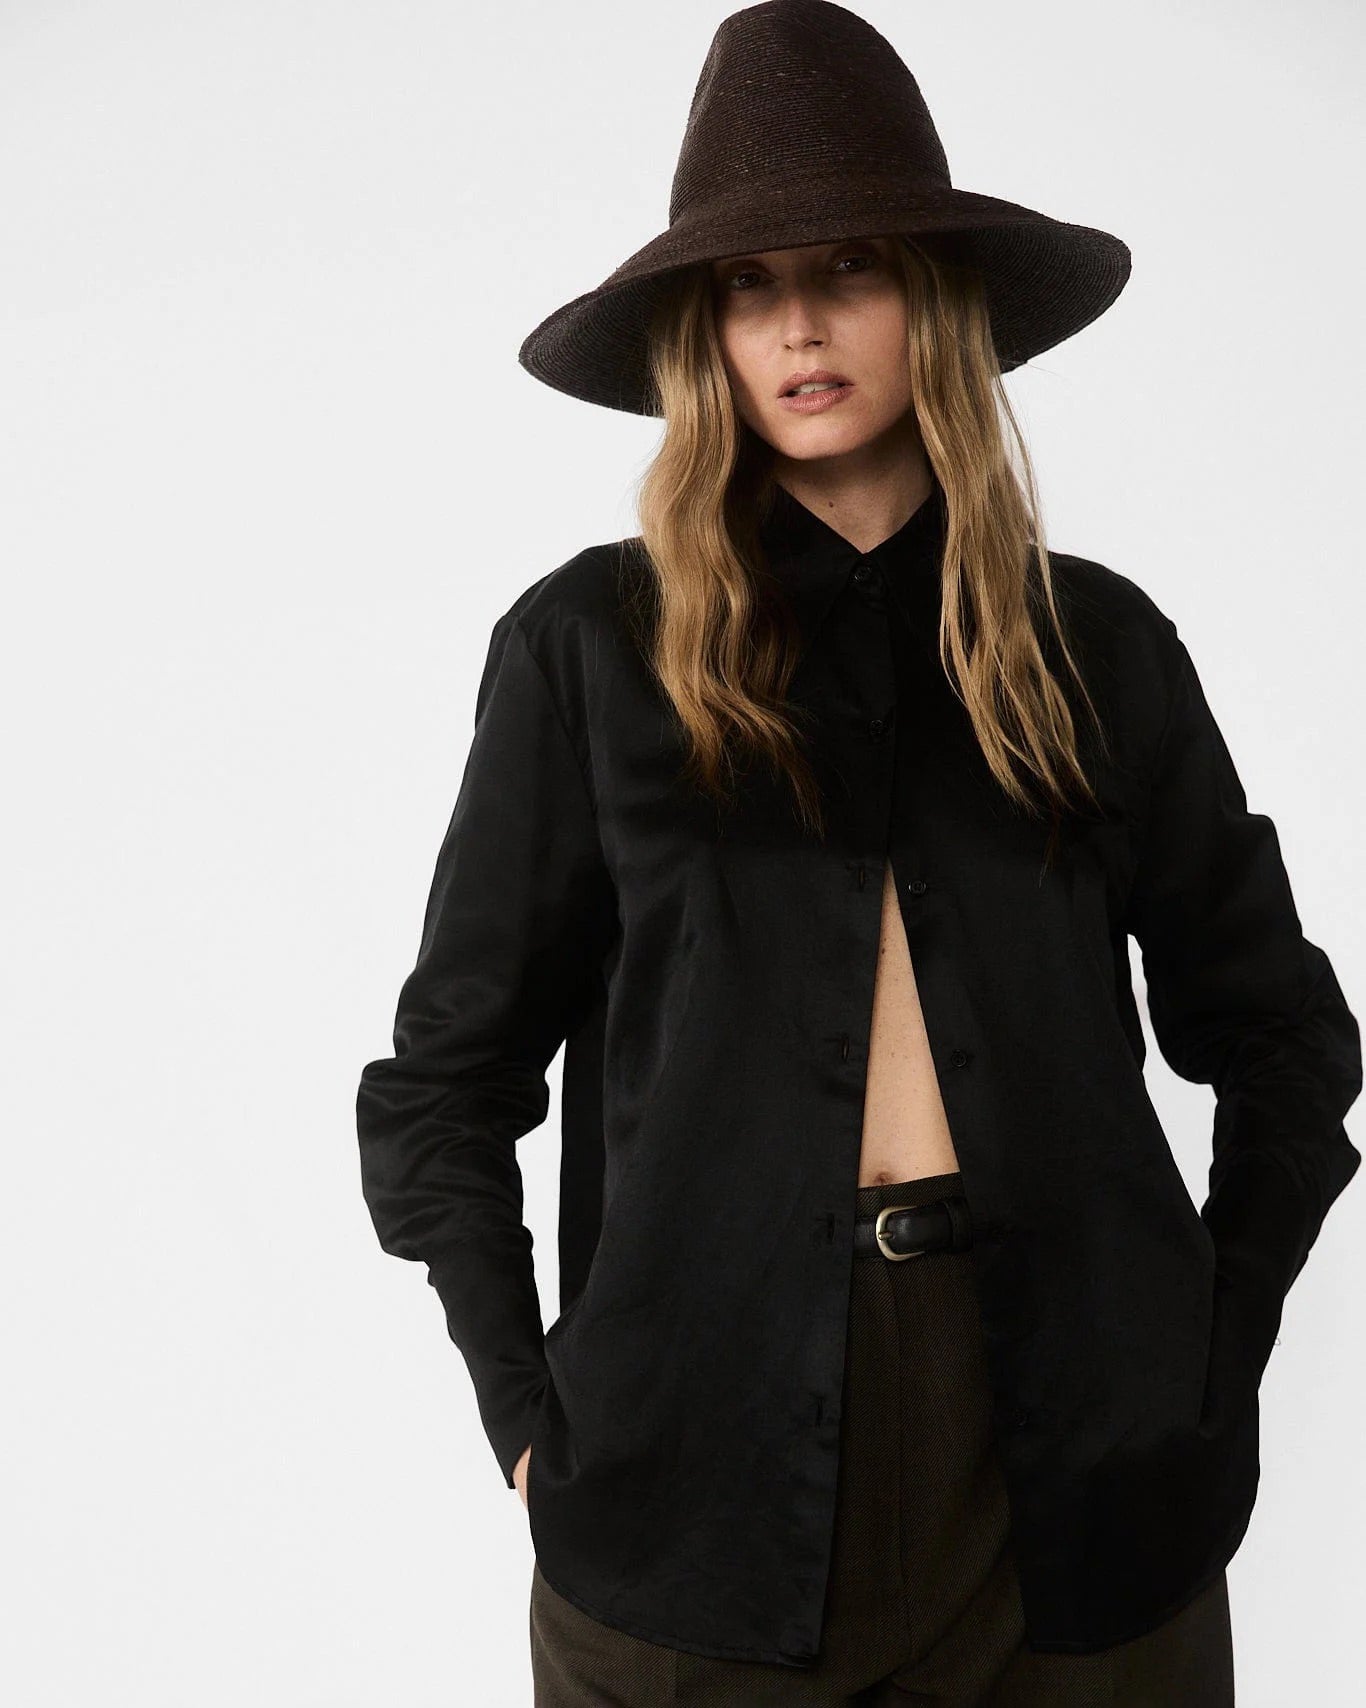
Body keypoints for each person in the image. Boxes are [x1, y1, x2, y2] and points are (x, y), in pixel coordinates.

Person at [354, 3, 1362, 1702]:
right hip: (694, 1477)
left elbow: (1281, 1037)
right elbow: (443, 1082)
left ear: (934, 303)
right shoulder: (590, 651)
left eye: (851, 267)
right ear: (701, 333)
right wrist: (526, 1415)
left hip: (1076, 1482)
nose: (799, 323)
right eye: (747, 284)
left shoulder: (1093, 650)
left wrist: (1216, 1352)